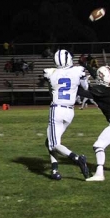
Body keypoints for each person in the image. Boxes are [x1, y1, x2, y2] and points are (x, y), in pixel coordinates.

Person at [42, 49, 90, 181]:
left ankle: (77, 158)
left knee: (53, 143)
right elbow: (85, 88)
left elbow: (51, 92)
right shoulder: (78, 71)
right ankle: (54, 170)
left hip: (57, 109)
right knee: (50, 141)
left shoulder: (50, 73)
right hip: (70, 111)